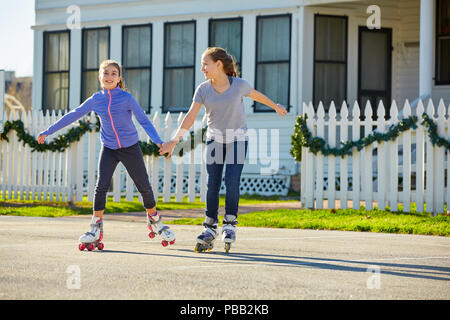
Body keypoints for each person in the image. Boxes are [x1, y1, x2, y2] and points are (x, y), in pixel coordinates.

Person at [159, 47, 287, 253]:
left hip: (238, 140)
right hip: (214, 141)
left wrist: (275, 106)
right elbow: (191, 116)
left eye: (205, 64)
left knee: (232, 179)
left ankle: (229, 224)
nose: (202, 69)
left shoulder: (239, 85)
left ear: (218, 65)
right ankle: (209, 227)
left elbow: (257, 96)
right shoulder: (203, 89)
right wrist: (174, 140)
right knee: (213, 183)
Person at [37, 59, 175, 251]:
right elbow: (74, 114)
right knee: (101, 186)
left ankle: (154, 219)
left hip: (130, 147)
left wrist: (158, 141)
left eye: (113, 73)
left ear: (119, 78)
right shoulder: (96, 99)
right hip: (109, 148)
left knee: (143, 185)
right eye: (105, 73)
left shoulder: (127, 98)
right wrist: (48, 131)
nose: (109, 76)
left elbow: (144, 121)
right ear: (100, 77)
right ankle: (95, 227)